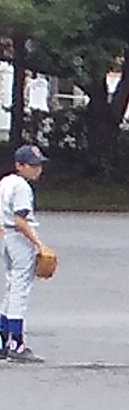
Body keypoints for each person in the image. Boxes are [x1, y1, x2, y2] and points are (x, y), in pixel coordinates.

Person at [0, 145, 51, 362]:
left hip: (7, 236)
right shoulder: (22, 186)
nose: (37, 169)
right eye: (32, 165)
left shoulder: (6, 181)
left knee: (12, 287)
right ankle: (17, 344)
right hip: (19, 238)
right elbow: (20, 221)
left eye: (39, 165)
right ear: (19, 165)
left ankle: (3, 342)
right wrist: (39, 245)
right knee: (20, 289)